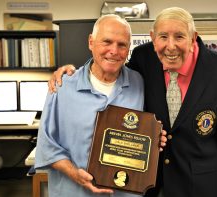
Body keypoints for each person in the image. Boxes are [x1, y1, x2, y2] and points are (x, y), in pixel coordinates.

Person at [49, 7, 217, 197]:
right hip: (147, 184)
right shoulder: (144, 58)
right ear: (152, 38)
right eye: (163, 37)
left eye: (179, 36)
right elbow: (110, 64)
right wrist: (73, 72)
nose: (170, 46)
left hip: (199, 186)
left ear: (193, 38)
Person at [35, 14, 166, 197]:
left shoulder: (139, 82)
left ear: (129, 48)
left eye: (122, 45)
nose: (114, 50)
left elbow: (147, 131)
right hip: (74, 192)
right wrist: (75, 174)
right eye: (107, 42)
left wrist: (154, 139)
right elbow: (46, 146)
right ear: (91, 42)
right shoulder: (62, 86)